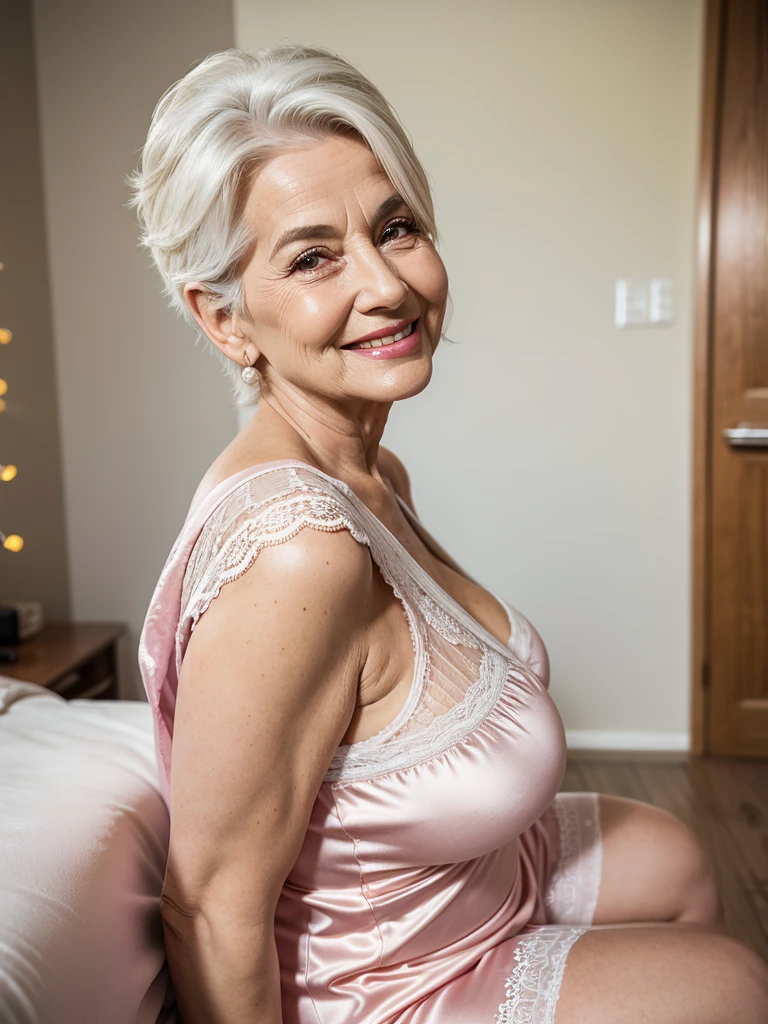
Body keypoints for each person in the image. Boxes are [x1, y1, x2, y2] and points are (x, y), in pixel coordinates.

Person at [134, 44, 768, 1024]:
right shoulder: (300, 552)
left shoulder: (374, 472)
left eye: (397, 228)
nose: (388, 284)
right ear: (225, 320)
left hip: (460, 892)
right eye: (315, 258)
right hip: (375, 987)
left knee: (675, 858)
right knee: (735, 984)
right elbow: (211, 907)